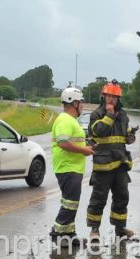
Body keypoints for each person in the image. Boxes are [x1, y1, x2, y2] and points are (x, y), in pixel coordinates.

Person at [86, 80, 136, 241]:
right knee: (99, 198)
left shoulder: (123, 116)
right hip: (103, 166)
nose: (111, 99)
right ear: (103, 96)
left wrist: (130, 137)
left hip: (120, 164)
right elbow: (98, 131)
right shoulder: (97, 114)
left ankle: (120, 229)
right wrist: (109, 115)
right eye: (109, 96)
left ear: (118, 98)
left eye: (114, 96)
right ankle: (94, 230)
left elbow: (125, 136)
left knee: (122, 197)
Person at [50, 87, 94, 246]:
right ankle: (58, 234)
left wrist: (86, 146)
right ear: (74, 102)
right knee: (70, 203)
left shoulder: (70, 120)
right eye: (81, 102)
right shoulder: (65, 120)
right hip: (68, 168)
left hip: (72, 167)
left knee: (72, 202)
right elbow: (63, 142)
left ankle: (69, 234)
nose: (82, 105)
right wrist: (84, 151)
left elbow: (72, 140)